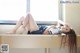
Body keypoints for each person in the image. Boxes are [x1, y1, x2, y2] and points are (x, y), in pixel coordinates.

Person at [6, 13, 77, 53]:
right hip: (39, 28)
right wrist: (66, 25)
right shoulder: (59, 28)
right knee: (22, 18)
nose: (64, 28)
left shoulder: (57, 31)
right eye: (66, 27)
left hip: (39, 31)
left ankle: (20, 28)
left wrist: (50, 27)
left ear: (66, 33)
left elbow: (44, 34)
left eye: (66, 29)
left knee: (29, 15)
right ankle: (16, 30)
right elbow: (59, 21)